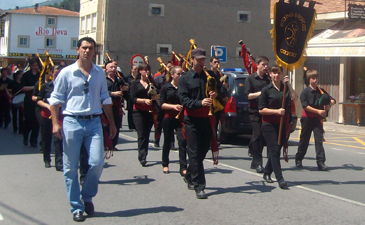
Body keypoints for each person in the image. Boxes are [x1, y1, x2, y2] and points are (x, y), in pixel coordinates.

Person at [49, 37, 116, 222]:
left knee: (96, 162)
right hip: (72, 121)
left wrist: (111, 123)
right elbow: (55, 100)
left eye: (91, 48)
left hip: (94, 122)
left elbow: (105, 98)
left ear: (95, 51)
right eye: (84, 48)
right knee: (70, 167)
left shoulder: (99, 73)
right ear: (78, 50)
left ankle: (87, 197)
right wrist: (56, 123)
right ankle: (76, 207)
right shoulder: (66, 73)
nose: (87, 51)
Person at [178, 48, 225, 199]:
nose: (201, 62)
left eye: (203, 59)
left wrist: (216, 93)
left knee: (203, 149)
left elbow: (223, 90)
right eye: (198, 59)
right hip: (191, 119)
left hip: (206, 118)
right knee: (193, 151)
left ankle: (190, 173)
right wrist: (200, 102)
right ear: (192, 59)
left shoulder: (210, 75)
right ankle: (200, 186)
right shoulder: (185, 78)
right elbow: (184, 100)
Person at [259, 64, 298, 189]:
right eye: (274, 73)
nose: (276, 75)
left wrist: (289, 85)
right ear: (270, 74)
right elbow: (261, 110)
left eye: (279, 73)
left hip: (282, 124)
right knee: (275, 150)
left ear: (282, 74)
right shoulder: (266, 90)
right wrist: (276, 111)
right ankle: (280, 179)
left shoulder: (285, 88)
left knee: (276, 150)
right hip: (268, 124)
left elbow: (295, 98)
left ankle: (266, 172)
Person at [295, 70, 336, 171]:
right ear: (309, 80)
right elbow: (305, 106)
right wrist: (318, 111)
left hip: (317, 119)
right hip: (307, 119)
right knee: (304, 140)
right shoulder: (305, 92)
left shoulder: (321, 91)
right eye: (313, 78)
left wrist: (328, 106)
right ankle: (299, 158)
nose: (315, 80)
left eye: (316, 78)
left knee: (319, 141)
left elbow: (332, 100)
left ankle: (321, 162)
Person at [243, 56, 270, 173]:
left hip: (266, 111)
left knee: (262, 137)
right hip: (254, 111)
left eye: (267, 64)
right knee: (257, 135)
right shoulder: (250, 79)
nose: (266, 67)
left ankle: (254, 160)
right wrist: (260, 93)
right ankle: (258, 163)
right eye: (263, 64)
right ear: (257, 65)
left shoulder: (268, 80)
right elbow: (247, 96)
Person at [160, 66, 187, 175]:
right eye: (178, 74)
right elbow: (161, 104)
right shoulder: (166, 87)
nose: (180, 76)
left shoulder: (184, 88)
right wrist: (173, 107)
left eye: (182, 74)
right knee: (167, 141)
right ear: (172, 75)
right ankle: (165, 164)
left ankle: (183, 167)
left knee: (182, 142)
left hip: (181, 118)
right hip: (169, 117)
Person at [130, 63, 158, 167]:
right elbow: (132, 98)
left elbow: (158, 94)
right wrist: (143, 100)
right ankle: (142, 156)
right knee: (141, 134)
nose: (146, 72)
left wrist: (156, 97)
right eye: (144, 70)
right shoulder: (135, 83)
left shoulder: (152, 83)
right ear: (140, 71)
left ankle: (144, 153)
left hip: (149, 111)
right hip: (138, 111)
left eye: (148, 70)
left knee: (146, 134)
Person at [36, 65, 63, 170]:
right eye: (56, 74)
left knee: (58, 139)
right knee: (46, 138)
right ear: (52, 74)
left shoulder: (65, 87)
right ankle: (47, 159)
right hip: (47, 115)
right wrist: (48, 106)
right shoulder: (45, 86)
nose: (57, 76)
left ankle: (59, 162)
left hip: (59, 115)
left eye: (59, 74)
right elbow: (38, 99)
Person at [105, 60, 129, 150]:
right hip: (106, 106)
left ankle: (113, 144)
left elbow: (127, 86)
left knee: (117, 124)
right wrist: (113, 93)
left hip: (117, 105)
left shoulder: (119, 79)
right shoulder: (104, 80)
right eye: (111, 67)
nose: (113, 69)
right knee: (106, 125)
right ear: (106, 70)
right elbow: (101, 92)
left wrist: (126, 88)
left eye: (114, 67)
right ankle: (106, 143)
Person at [21, 58, 41, 147]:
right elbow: (23, 88)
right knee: (29, 120)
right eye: (33, 65)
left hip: (37, 99)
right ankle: (25, 136)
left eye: (36, 65)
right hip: (29, 99)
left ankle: (34, 140)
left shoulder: (40, 75)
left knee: (37, 121)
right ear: (31, 66)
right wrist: (34, 87)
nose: (35, 67)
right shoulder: (26, 75)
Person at [154, 61, 173, 148]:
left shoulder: (173, 79)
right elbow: (155, 88)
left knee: (171, 123)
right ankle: (157, 140)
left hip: (169, 103)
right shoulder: (158, 78)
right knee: (159, 123)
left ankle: (171, 143)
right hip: (160, 103)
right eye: (168, 66)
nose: (169, 68)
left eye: (171, 67)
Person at [125, 65, 138, 131]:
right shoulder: (128, 77)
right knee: (130, 110)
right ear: (131, 70)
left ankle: (136, 125)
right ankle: (131, 125)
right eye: (135, 69)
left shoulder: (139, 77)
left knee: (136, 110)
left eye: (137, 69)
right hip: (130, 96)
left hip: (136, 95)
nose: (136, 70)